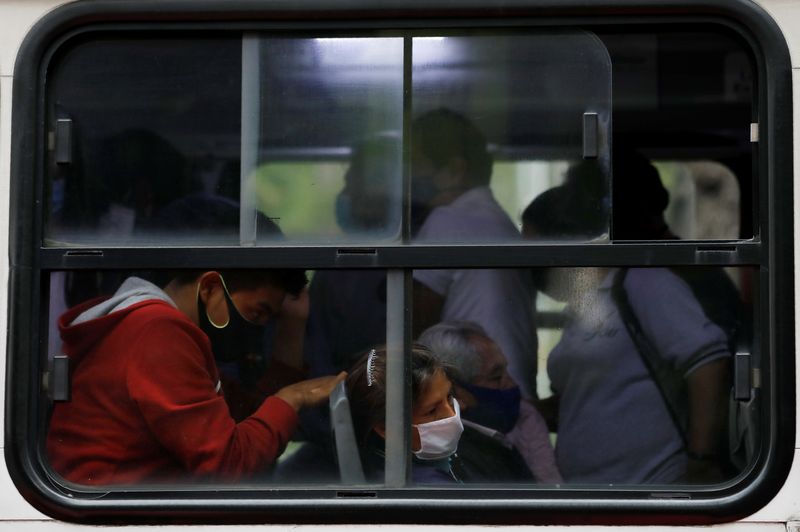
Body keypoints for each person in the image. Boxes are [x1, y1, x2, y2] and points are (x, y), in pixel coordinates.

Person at [46, 268, 346, 485]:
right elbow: (226, 465)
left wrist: (292, 327)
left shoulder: (150, 326)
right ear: (211, 287)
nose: (257, 331)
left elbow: (245, 416)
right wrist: (292, 399)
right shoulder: (160, 332)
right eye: (257, 314)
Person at [522, 180, 732, 485]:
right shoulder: (583, 307)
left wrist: (701, 460)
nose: (529, 268)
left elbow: (708, 365)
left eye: (534, 253)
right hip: (596, 494)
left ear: (566, 244)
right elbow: (588, 399)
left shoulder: (641, 284)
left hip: (654, 489)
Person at [410, 108, 538, 400]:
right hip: (509, 393)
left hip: (477, 397)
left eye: (415, 164)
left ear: (454, 171)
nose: (407, 177)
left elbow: (415, 331)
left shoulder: (448, 220)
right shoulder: (496, 221)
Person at [418, 321, 562, 483]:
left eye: (506, 372)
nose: (512, 385)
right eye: (496, 378)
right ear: (453, 393)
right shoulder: (452, 460)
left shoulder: (506, 435)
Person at [346, 346, 464, 484]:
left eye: (449, 397)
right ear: (386, 428)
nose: (451, 414)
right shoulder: (428, 486)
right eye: (431, 411)